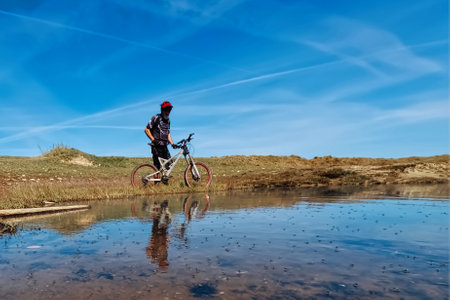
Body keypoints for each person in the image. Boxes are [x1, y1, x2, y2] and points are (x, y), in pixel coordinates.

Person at [145, 101, 178, 174]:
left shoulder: (168, 120)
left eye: (169, 110)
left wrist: (172, 144)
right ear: (162, 110)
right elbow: (146, 130)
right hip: (156, 146)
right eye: (166, 109)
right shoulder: (156, 117)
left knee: (169, 164)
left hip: (164, 146)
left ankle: (164, 180)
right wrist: (154, 140)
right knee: (157, 167)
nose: (168, 112)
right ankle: (156, 184)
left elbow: (167, 133)